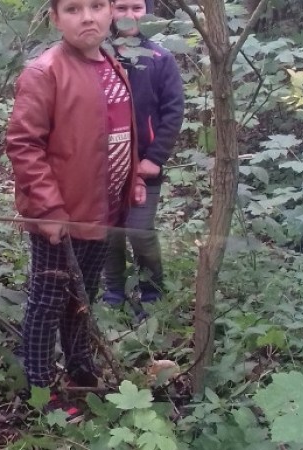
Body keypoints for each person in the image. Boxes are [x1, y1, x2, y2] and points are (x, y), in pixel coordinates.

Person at [5, 0, 146, 420]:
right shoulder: (45, 72)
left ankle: (81, 370)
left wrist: (134, 180)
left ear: (110, 12)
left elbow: (118, 132)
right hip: (62, 215)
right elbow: (24, 144)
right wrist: (49, 207)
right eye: (73, 8)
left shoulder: (113, 65)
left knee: (83, 295)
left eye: (96, 6)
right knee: (48, 300)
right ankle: (38, 387)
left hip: (103, 210)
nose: (87, 17)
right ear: (55, 18)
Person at [102, 0, 184, 308]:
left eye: (136, 8)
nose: (128, 16)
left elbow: (173, 112)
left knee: (139, 230)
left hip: (144, 165)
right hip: (106, 164)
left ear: (148, 11)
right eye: (121, 8)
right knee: (108, 231)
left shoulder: (161, 59)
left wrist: (155, 158)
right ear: (110, 11)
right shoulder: (100, 56)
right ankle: (114, 292)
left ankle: (151, 293)